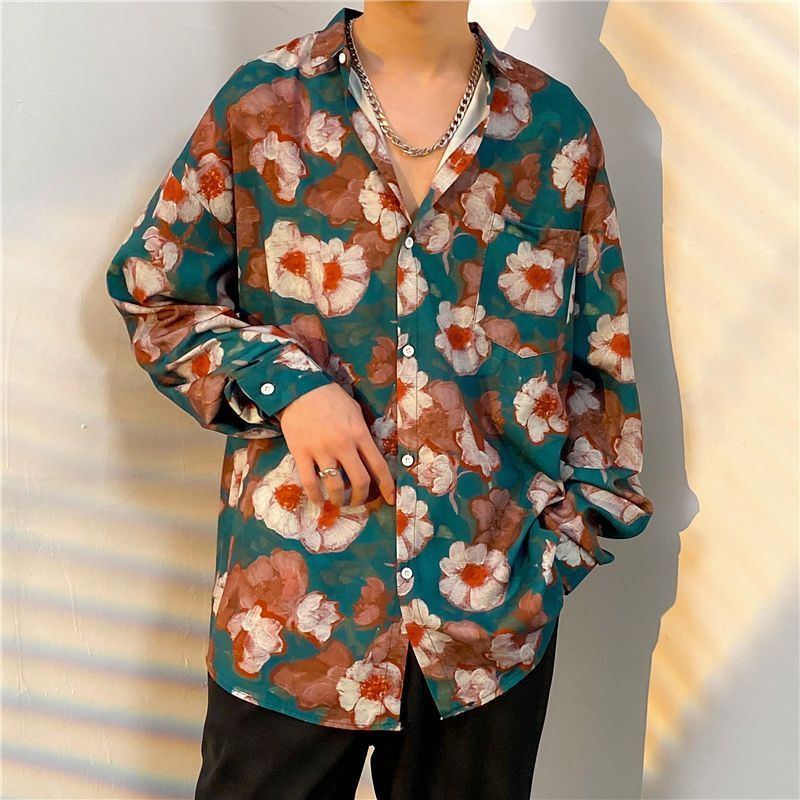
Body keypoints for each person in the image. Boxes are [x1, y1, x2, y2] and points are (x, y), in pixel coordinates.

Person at [105, 3, 654, 798]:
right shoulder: (264, 105)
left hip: (487, 620)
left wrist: (554, 556)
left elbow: (599, 368)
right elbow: (154, 293)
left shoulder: (555, 129)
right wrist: (290, 387)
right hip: (294, 615)